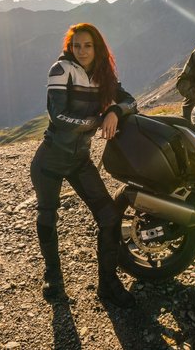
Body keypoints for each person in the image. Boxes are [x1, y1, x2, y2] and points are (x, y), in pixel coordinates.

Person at [29, 23, 138, 308]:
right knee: (47, 216)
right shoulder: (61, 69)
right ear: (70, 47)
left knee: (110, 218)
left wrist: (114, 110)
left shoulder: (103, 74)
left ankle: (107, 284)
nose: (82, 51)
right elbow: (57, 115)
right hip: (50, 159)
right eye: (77, 45)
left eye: (88, 45)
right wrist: (96, 122)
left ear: (97, 47)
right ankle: (53, 274)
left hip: (80, 161)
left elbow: (131, 101)